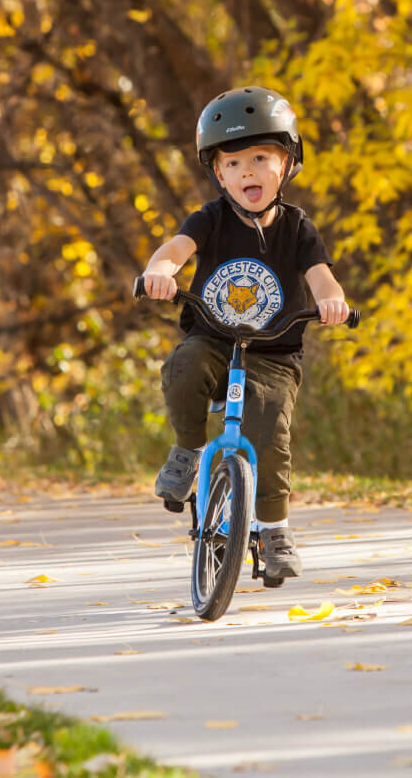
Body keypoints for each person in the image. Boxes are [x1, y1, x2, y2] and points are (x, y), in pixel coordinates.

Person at [138, 86, 349, 580]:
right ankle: (189, 450)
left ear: (288, 162)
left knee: (270, 430)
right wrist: (159, 271)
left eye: (259, 157)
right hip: (212, 340)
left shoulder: (297, 228)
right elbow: (175, 248)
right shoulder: (211, 219)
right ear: (218, 174)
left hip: (274, 354)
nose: (247, 171)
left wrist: (331, 302)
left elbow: (321, 275)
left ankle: (274, 528)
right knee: (184, 366)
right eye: (232, 164)